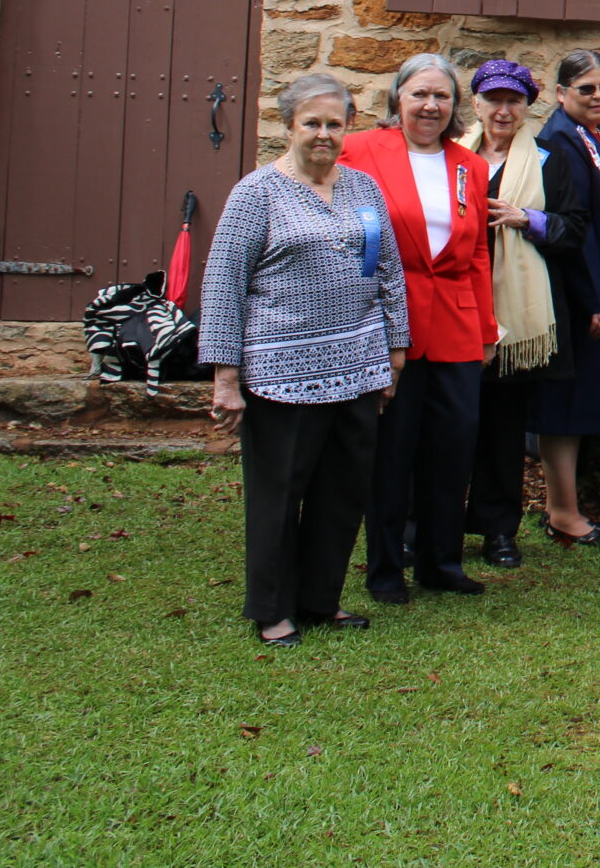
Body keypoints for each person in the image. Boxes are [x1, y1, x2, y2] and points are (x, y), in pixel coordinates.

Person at [201, 74, 407, 647]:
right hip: (280, 373)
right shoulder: (255, 193)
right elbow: (223, 284)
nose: (323, 134)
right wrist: (225, 377)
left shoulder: (364, 190)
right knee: (277, 495)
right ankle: (272, 610)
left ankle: (321, 601)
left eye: (334, 124)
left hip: (359, 366)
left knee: (342, 493)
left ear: (348, 128)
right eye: (311, 123)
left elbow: (387, 272)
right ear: (289, 127)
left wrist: (395, 351)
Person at [339, 53, 496, 605]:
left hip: (455, 322)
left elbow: (477, 251)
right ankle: (385, 568)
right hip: (387, 320)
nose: (431, 105)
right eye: (420, 94)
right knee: (391, 449)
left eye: (443, 96)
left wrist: (486, 329)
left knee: (453, 446)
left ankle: (441, 562)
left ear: (455, 107)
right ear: (398, 99)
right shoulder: (359, 150)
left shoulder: (468, 166)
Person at [461, 59, 586, 570]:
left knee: (502, 426)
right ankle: (433, 525)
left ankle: (497, 530)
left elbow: (574, 229)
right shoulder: (451, 156)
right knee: (446, 425)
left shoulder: (549, 159)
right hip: (457, 308)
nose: (503, 109)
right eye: (494, 99)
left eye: (514, 100)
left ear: (527, 105)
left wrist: (525, 218)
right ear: (476, 104)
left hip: (517, 312)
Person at [530, 50, 600, 547]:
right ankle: (562, 512)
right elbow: (577, 229)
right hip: (582, 296)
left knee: (586, 403)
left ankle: (569, 505)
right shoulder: (557, 141)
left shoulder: (597, 135)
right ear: (560, 93)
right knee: (566, 405)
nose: (599, 96)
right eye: (587, 89)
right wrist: (596, 299)